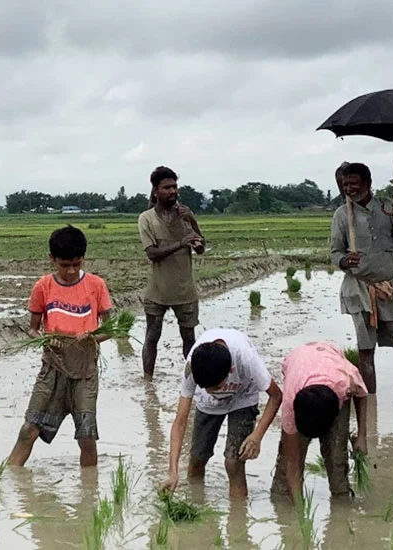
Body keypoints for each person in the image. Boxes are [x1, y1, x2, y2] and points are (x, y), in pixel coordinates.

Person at [7, 226, 114, 468]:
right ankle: (8, 479)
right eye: (64, 265)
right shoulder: (43, 287)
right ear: (52, 259)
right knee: (29, 429)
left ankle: (89, 490)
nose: (71, 270)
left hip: (85, 373)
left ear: (83, 258)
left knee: (86, 436)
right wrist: (45, 338)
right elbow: (32, 328)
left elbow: (111, 329)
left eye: (76, 264)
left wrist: (93, 338)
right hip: (52, 370)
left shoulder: (96, 286)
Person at [329, 162, 393, 394]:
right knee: (366, 350)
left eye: (354, 184)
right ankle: (369, 403)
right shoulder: (342, 215)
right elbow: (334, 253)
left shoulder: (387, 208)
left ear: (368, 184)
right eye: (345, 184)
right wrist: (344, 260)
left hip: (389, 288)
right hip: (359, 289)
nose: (349, 188)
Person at [161, 328, 282, 498]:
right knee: (197, 458)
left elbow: (276, 396)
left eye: (215, 388)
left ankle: (238, 518)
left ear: (230, 370)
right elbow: (180, 422)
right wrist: (173, 472)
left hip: (243, 397)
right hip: (208, 406)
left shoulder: (245, 358)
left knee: (233, 462)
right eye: (205, 388)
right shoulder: (192, 367)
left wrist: (257, 435)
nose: (211, 391)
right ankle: (197, 502)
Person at [270, 341, 369, 503]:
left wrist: (362, 436)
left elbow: (362, 395)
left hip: (331, 371)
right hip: (300, 364)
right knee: (288, 458)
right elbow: (292, 461)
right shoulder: (291, 403)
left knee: (337, 453)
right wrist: (300, 509)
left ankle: (341, 499)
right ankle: (283, 500)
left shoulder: (347, 381)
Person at [139, 166, 205, 378]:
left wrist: (193, 221)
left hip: (185, 291)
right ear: (155, 190)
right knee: (152, 336)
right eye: (167, 187)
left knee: (189, 339)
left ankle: (193, 382)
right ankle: (148, 382)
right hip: (158, 291)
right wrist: (180, 243)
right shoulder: (147, 218)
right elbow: (152, 253)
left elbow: (201, 248)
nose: (172, 191)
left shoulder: (185, 216)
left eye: (175, 186)